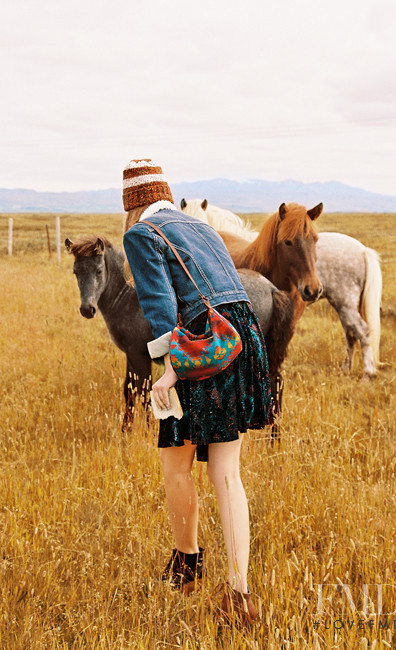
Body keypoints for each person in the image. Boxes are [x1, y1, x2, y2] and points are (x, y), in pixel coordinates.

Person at [122, 159, 273, 625]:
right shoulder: (200, 226)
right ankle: (240, 595)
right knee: (228, 473)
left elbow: (161, 304)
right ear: (167, 194)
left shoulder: (140, 235)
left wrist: (170, 370)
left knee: (176, 465)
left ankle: (187, 565)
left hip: (201, 342)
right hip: (240, 338)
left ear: (132, 205)